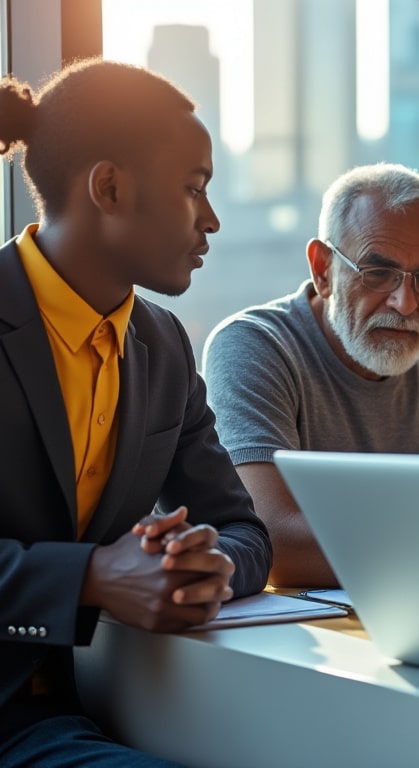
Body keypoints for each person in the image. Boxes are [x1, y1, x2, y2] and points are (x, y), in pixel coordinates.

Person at [0, 60, 272, 765]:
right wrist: (92, 577)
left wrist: (202, 566)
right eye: (194, 188)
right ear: (110, 187)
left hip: (91, 705)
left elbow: (245, 528)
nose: (211, 219)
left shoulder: (162, 346)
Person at [203, 163, 419, 587]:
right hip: (293, 635)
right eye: (378, 273)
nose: (404, 303)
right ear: (323, 269)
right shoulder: (254, 346)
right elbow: (273, 542)